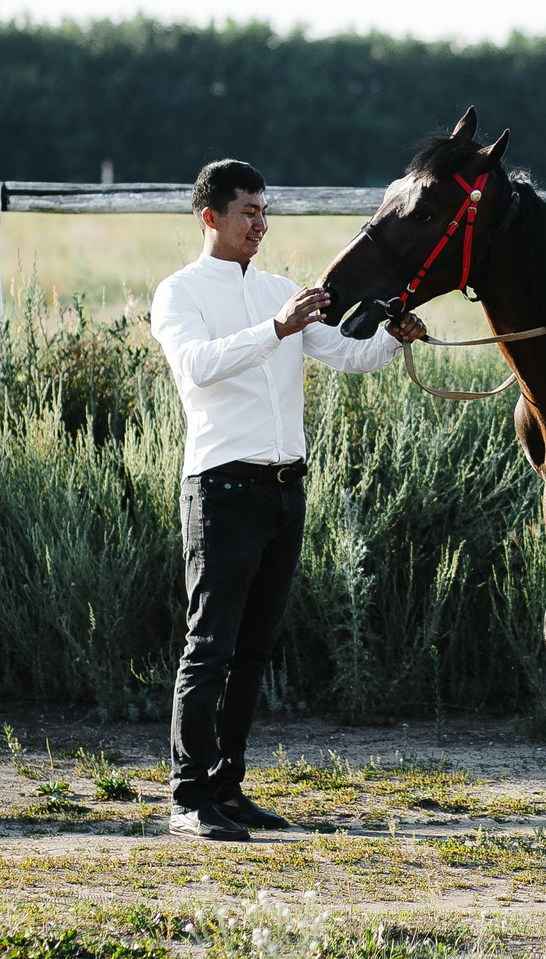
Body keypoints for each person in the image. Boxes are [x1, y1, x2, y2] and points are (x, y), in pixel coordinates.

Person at [148, 158, 425, 841]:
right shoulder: (179, 293)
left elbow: (345, 355)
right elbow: (198, 367)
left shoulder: (277, 288)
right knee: (209, 645)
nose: (261, 224)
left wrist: (392, 337)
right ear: (209, 215)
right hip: (220, 488)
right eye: (248, 211)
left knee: (254, 648)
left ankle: (229, 788)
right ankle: (188, 795)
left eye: (265, 211)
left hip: (283, 488)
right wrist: (275, 327)